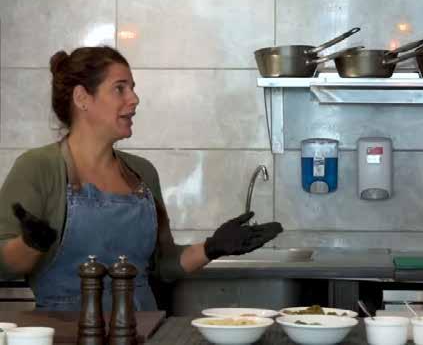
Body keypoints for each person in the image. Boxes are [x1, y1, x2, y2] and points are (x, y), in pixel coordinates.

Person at [0, 46, 283, 311]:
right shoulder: (39, 167)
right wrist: (29, 245)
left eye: (132, 88)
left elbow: (164, 264)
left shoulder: (141, 173)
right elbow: (4, 263)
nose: (134, 99)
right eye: (120, 88)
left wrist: (213, 247)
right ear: (82, 98)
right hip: (67, 331)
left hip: (141, 328)